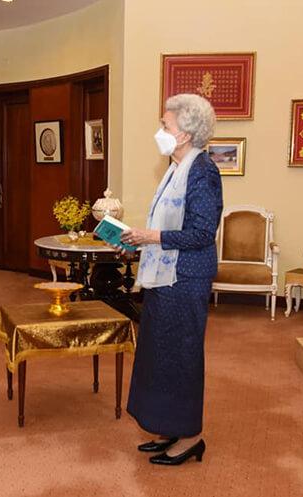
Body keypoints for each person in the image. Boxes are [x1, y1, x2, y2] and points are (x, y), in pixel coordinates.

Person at [118, 93, 222, 466]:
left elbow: (201, 233)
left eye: (165, 126)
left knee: (181, 356)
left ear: (183, 134)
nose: (159, 132)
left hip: (187, 279)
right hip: (166, 277)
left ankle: (191, 436)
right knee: (160, 355)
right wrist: (138, 240)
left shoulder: (203, 171)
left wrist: (150, 237)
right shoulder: (176, 169)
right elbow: (166, 226)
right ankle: (170, 428)